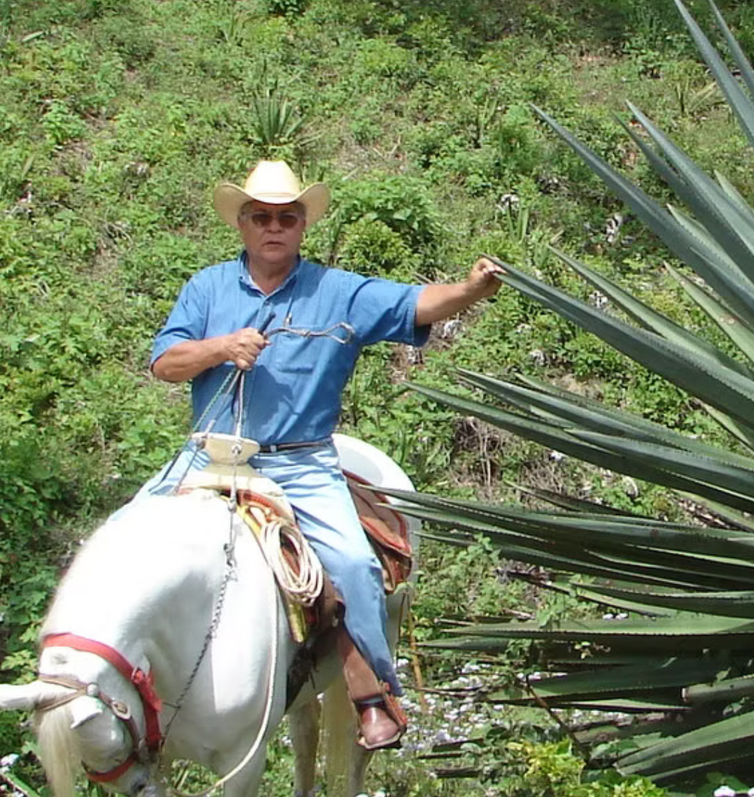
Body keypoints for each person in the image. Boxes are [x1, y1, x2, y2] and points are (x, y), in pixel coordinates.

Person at [142, 160, 502, 750]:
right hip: (210, 456)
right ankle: (112, 687)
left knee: (355, 565)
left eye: (286, 217)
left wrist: (469, 291)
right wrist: (220, 347)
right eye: (262, 217)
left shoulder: (339, 292)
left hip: (300, 463)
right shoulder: (206, 288)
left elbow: (416, 304)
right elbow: (165, 363)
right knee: (127, 534)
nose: (273, 227)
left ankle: (373, 694)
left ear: (303, 225)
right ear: (242, 223)